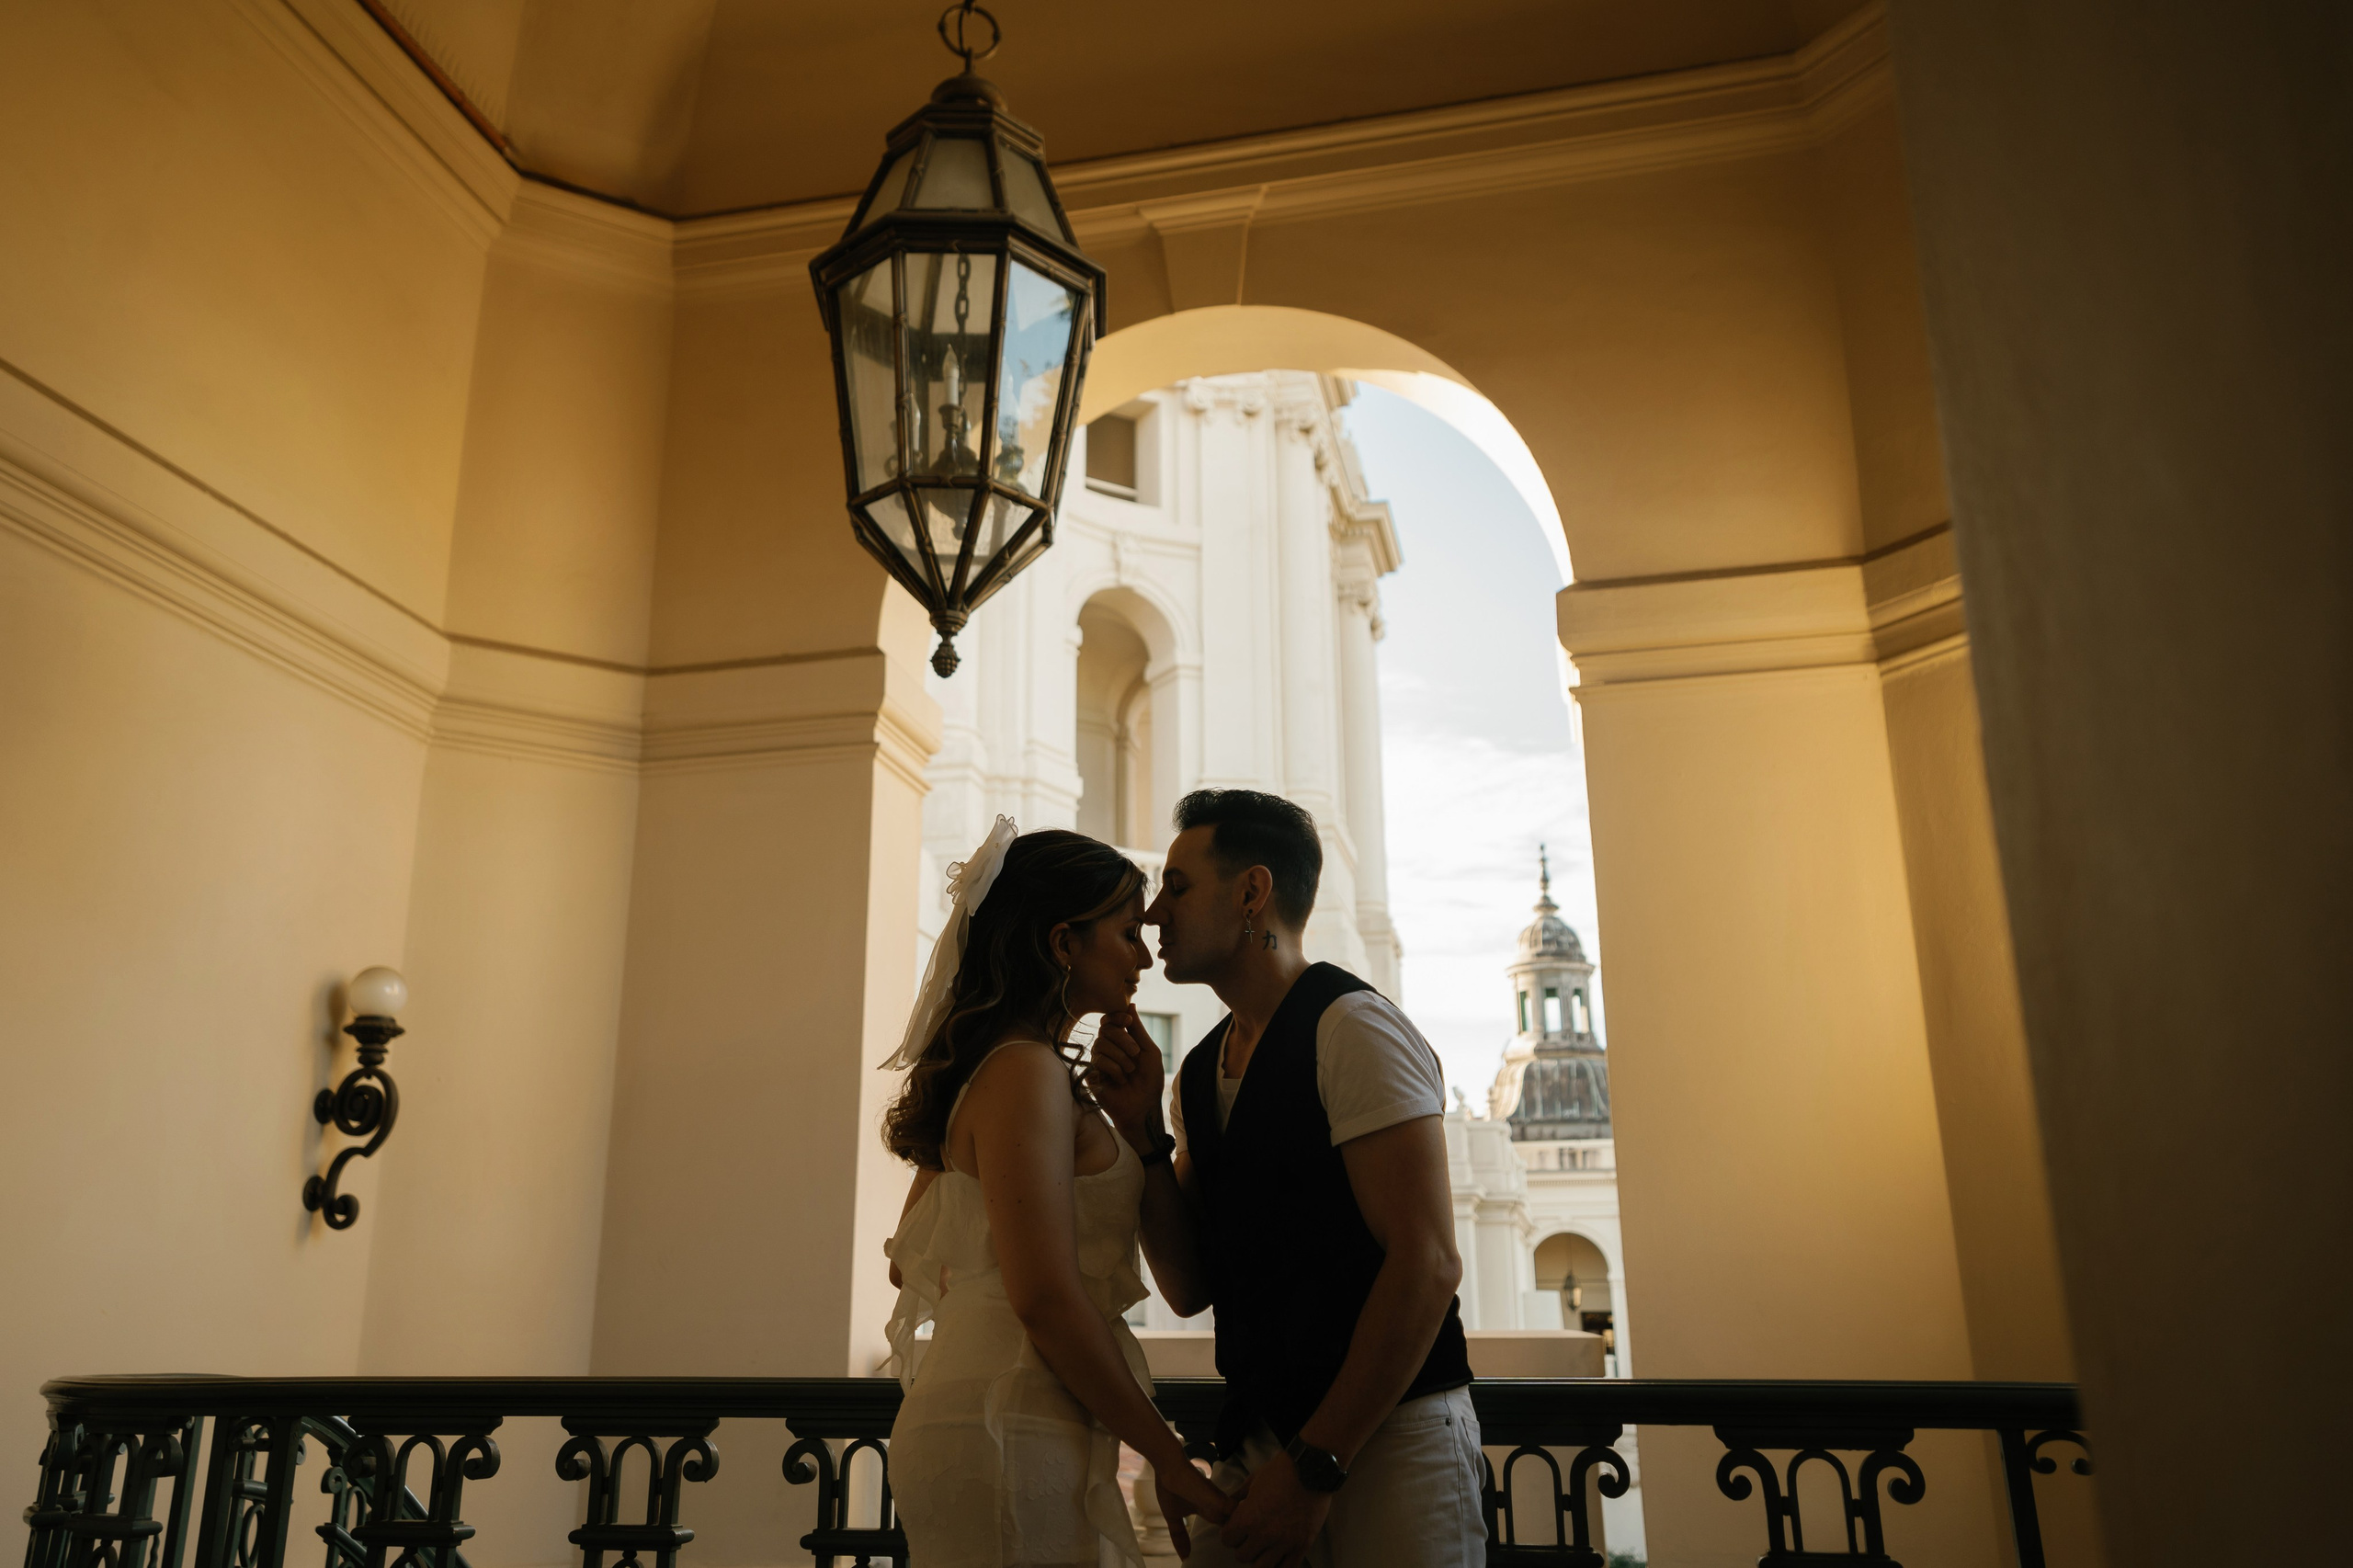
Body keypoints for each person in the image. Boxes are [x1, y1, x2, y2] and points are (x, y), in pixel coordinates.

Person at [1088, 789, 1483, 1568]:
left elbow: (1428, 1262)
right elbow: (1190, 1285)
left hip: (1394, 1440)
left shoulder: (1355, 1032)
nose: (1155, 915)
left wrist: (1316, 1466)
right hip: (1265, 1436)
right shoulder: (1200, 1072)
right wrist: (1140, 1135)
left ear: (1251, 892)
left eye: (1175, 886)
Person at [881, 822, 1235, 1568]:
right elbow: (1043, 1296)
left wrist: (1136, 1126)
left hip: (1009, 1410)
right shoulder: (1024, 1073)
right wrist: (1166, 1457)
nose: (1145, 955)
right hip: (1009, 1416)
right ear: (1063, 943)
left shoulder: (1009, 1069)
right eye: (1127, 933)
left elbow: (909, 1254)